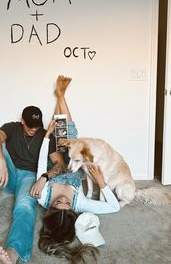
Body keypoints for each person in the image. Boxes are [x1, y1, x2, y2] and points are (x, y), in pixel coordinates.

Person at [30, 75, 120, 263]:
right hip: (72, 163)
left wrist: (46, 136)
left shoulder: (41, 195)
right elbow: (114, 207)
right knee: (73, 138)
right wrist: (102, 183)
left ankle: (60, 96)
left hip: (53, 164)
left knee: (56, 133)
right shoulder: (81, 204)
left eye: (58, 203)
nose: (63, 200)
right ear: (73, 211)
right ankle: (61, 96)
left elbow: (40, 164)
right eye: (67, 204)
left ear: (49, 209)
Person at [0, 104, 65, 264]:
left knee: (24, 207)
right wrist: (1, 161)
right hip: (9, 174)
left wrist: (44, 177)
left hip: (30, 178)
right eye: (30, 125)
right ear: (22, 121)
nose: (34, 129)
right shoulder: (12, 128)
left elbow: (60, 164)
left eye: (37, 126)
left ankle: (13, 252)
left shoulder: (45, 136)